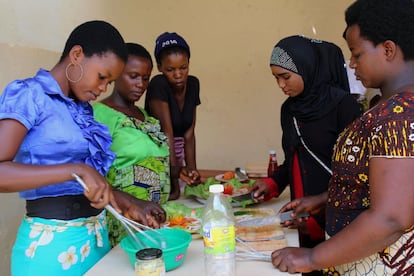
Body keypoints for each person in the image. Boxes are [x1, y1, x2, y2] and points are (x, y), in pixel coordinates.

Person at [0, 21, 165, 275]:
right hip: (51, 249)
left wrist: (129, 203)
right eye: (102, 77)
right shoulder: (29, 95)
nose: (102, 89)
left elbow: (88, 183)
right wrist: (74, 169)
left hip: (95, 242)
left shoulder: (83, 111)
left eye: (109, 83)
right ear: (76, 55)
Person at [270, 0, 414, 274]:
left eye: (356, 54)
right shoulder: (391, 109)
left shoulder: (398, 115)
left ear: (387, 50)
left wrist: (312, 258)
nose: (350, 63)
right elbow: (385, 188)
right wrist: (326, 199)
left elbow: (391, 218)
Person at [252, 35, 362, 275]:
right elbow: (295, 157)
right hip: (303, 218)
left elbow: (358, 173)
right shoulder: (289, 109)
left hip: (338, 217)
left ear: (307, 68)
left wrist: (322, 201)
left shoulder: (343, 106)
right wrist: (272, 184)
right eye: (276, 78)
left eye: (285, 76)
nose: (281, 85)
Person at [93, 43, 170, 246]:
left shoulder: (145, 116)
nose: (141, 84)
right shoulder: (100, 115)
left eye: (145, 78)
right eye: (133, 76)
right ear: (116, 73)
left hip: (152, 221)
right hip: (123, 221)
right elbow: (92, 174)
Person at [145, 32, 201, 200]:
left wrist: (193, 176)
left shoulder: (193, 83)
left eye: (183, 68)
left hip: (176, 159)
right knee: (172, 198)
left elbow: (189, 133)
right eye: (170, 69)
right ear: (160, 67)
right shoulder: (158, 85)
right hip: (158, 156)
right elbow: (166, 134)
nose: (178, 74)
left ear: (189, 63)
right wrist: (174, 185)